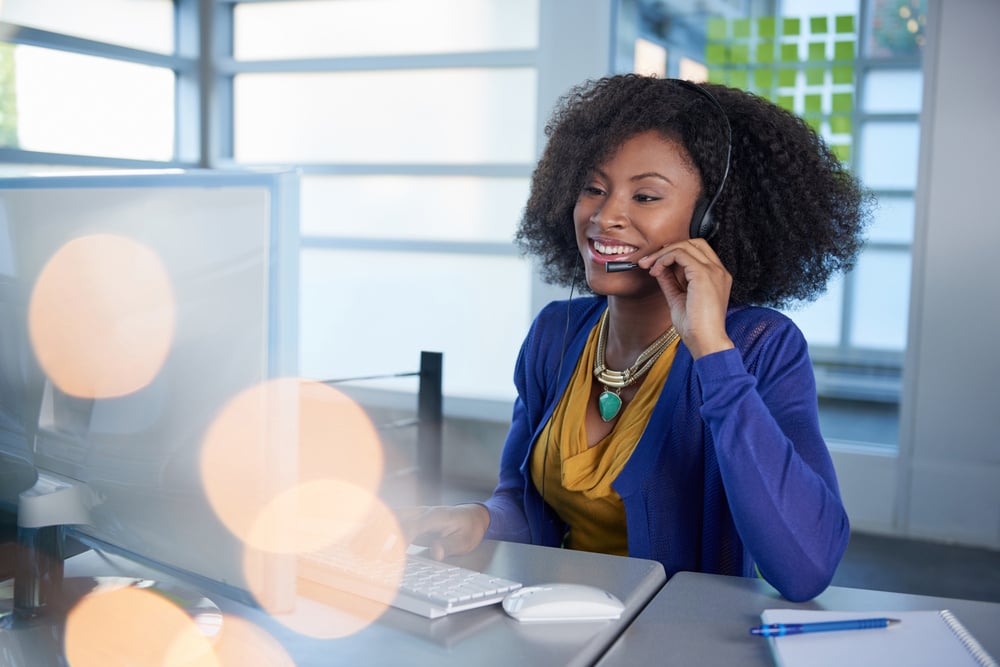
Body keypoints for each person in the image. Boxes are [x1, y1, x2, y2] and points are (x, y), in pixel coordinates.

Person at [403, 74, 872, 602]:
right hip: (553, 622)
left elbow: (807, 568)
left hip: (676, 642)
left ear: (712, 222)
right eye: (594, 189)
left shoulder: (760, 345)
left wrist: (712, 350)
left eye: (646, 196)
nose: (606, 217)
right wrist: (480, 518)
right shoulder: (555, 335)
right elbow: (523, 503)